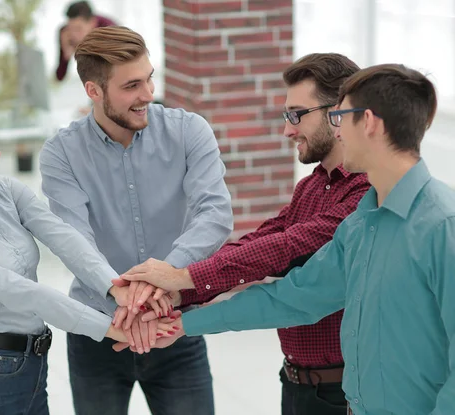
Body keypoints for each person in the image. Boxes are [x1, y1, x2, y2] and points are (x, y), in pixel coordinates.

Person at [131, 64, 455, 415]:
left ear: (369, 123)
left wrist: (183, 280)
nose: (338, 131)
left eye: (341, 118)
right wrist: (182, 324)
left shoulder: (442, 226)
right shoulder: (360, 225)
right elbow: (293, 299)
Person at [119, 53, 370, 415]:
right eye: (287, 116)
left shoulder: (364, 194)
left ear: (338, 113)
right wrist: (176, 290)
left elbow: (286, 248)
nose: (288, 129)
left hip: (341, 394)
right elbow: (264, 238)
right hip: (298, 384)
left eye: (297, 115)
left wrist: (184, 279)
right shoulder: (313, 187)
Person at [0, 103, 176, 415]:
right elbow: (23, 292)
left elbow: (63, 237)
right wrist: (113, 328)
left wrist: (116, 288)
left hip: (30, 366)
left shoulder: (4, 192)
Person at [39, 26, 233, 415]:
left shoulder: (188, 131)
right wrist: (119, 295)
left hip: (176, 326)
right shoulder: (61, 154)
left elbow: (215, 214)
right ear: (94, 91)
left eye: (149, 79)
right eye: (131, 85)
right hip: (98, 333)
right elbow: (74, 240)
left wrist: (162, 279)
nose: (147, 94)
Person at [55, 1, 116, 81]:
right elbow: (60, 76)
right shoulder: (66, 33)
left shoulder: (110, 29)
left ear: (92, 23)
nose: (73, 34)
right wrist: (66, 54)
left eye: (78, 29)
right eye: (70, 28)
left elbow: (111, 72)